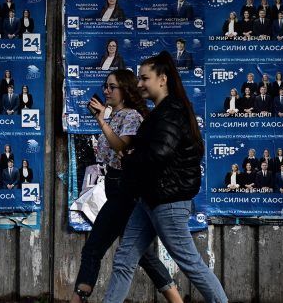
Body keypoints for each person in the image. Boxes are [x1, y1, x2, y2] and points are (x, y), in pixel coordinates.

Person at [102, 52, 226, 303]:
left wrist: (129, 156)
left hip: (167, 201)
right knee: (124, 259)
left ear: (163, 79)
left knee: (190, 263)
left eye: (144, 78)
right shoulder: (160, 113)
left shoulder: (172, 112)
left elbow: (158, 154)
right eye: (138, 78)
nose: (139, 84)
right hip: (149, 198)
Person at [73, 69, 181, 303]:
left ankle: (77, 299)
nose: (106, 90)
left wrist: (102, 121)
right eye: (105, 86)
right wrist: (106, 116)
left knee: (93, 248)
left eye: (112, 87)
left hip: (124, 190)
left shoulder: (131, 116)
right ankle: (176, 299)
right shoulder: (117, 115)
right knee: (141, 253)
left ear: (125, 90)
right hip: (114, 187)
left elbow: (121, 147)